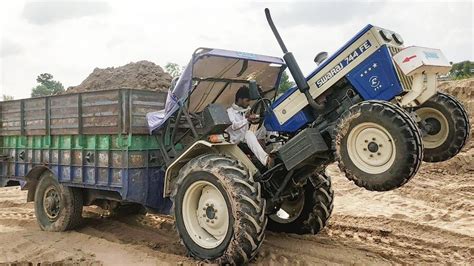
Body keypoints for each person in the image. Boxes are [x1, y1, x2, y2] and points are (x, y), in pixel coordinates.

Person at [225, 86, 271, 167]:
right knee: (249, 133)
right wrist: (247, 120)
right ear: (239, 99)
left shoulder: (245, 110)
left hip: (244, 139)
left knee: (266, 125)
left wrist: (258, 116)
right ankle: (266, 160)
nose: (249, 103)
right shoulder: (230, 112)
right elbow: (234, 126)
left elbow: (255, 116)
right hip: (236, 142)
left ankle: (275, 148)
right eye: (247, 101)